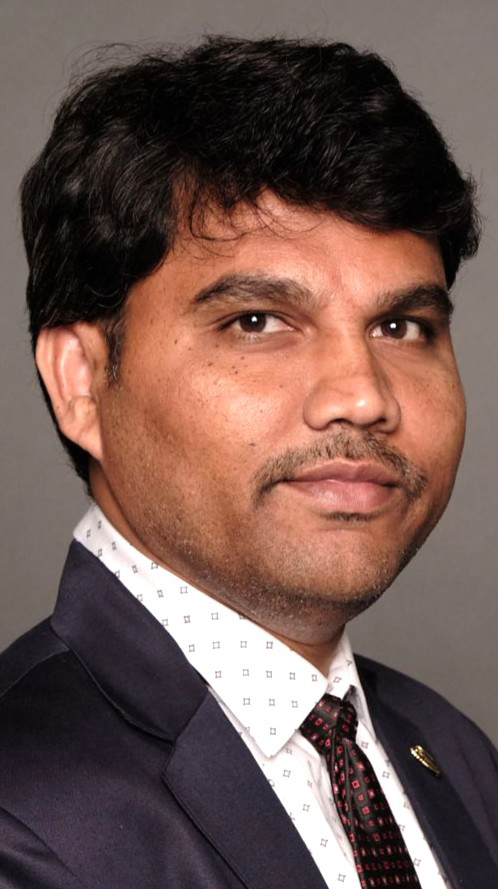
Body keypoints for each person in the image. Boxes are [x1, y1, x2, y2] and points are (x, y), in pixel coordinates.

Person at [1, 34, 497, 889]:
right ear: (81, 381)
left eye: (401, 326)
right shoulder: (24, 811)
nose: (363, 395)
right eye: (257, 321)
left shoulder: (454, 754)